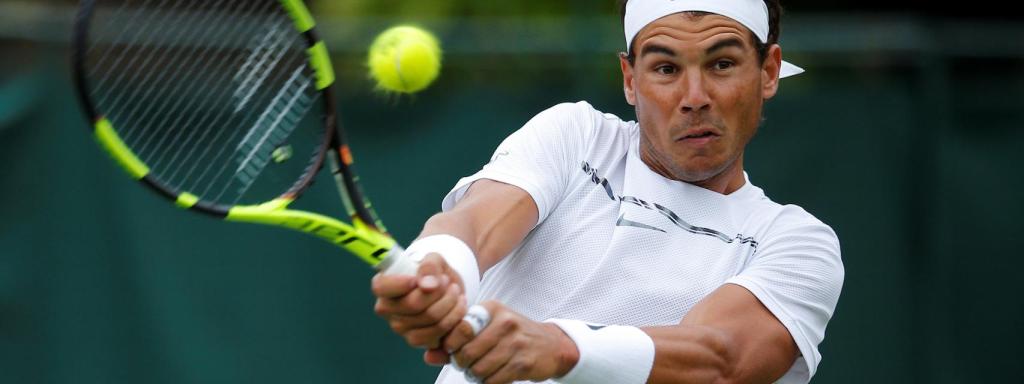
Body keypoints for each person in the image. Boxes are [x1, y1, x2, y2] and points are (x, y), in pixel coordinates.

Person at [371, 0, 844, 383]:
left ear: (768, 71)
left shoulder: (799, 244)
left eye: (722, 64)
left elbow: (722, 359)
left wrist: (563, 348)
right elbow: (475, 224)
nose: (695, 96)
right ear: (630, 79)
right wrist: (441, 268)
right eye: (665, 69)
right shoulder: (576, 134)